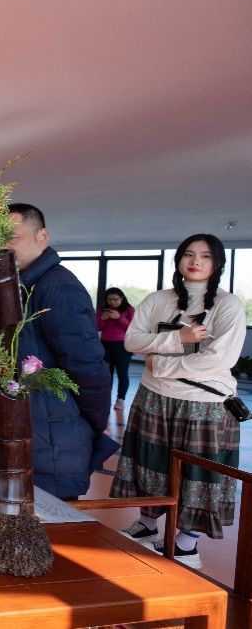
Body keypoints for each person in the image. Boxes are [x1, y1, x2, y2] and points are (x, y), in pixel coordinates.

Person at [110, 234, 246, 570]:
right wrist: (179, 338)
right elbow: (132, 341)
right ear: (178, 259)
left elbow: (220, 358)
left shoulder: (227, 304)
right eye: (188, 254)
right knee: (149, 461)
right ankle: (147, 525)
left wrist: (160, 363)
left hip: (203, 402)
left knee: (197, 472)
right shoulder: (158, 298)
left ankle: (186, 544)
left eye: (205, 256)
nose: (195, 261)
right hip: (154, 396)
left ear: (218, 263)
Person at [6, 203, 113, 499]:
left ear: (42, 236)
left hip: (56, 431)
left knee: (53, 517)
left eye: (12, 237)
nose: (4, 247)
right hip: (33, 426)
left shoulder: (58, 287)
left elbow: (87, 366)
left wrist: (94, 422)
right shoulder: (22, 285)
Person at [98, 287, 135, 410]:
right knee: (106, 374)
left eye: (115, 299)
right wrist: (102, 318)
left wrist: (119, 317)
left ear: (122, 298)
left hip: (123, 345)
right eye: (110, 299)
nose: (113, 302)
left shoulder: (129, 310)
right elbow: (97, 327)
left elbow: (132, 329)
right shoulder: (103, 310)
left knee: (122, 373)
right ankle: (106, 398)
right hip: (105, 344)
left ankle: (121, 399)